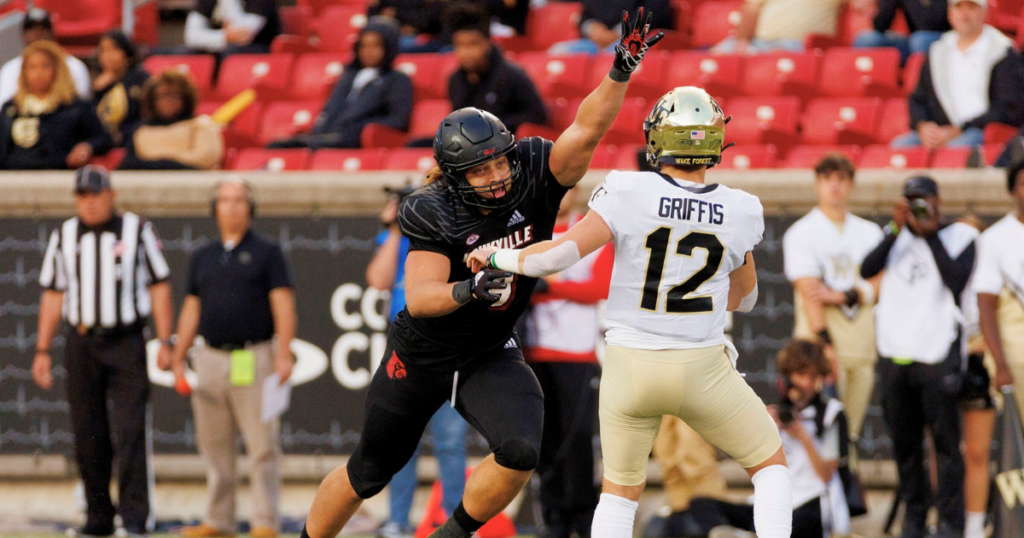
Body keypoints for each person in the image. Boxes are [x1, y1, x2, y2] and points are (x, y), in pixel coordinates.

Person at [297, 9, 664, 538]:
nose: (496, 176)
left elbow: (585, 131)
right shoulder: (431, 207)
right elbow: (420, 297)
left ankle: (451, 535)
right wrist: (468, 289)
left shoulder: (533, 172)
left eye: (500, 162)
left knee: (519, 452)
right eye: (480, 168)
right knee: (369, 470)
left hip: (489, 347)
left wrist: (620, 70)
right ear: (453, 175)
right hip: (423, 351)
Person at [469, 86, 792, 538]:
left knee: (619, 495)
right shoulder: (741, 209)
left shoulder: (627, 189)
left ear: (659, 138)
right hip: (701, 366)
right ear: (715, 140)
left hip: (630, 365)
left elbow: (555, 258)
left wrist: (496, 257)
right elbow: (745, 299)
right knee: (771, 467)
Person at [34, 166, 174, 538]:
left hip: (126, 340)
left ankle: (134, 519)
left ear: (111, 195)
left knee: (130, 430)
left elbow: (160, 285)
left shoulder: (137, 230)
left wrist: (165, 340)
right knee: (87, 432)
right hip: (81, 343)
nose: (90, 202)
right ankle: (97, 518)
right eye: (83, 195)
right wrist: (42, 348)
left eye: (96, 194)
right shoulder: (64, 235)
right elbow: (53, 293)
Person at [171, 178, 297, 538]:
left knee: (262, 445)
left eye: (239, 200)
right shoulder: (203, 255)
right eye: (224, 200)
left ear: (250, 207)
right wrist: (179, 356)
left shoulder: (267, 253)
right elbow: (191, 308)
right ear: (215, 208)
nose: (231, 207)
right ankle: (219, 519)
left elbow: (283, 305)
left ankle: (264, 521)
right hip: (209, 357)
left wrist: (284, 354)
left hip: (253, 356)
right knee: (214, 446)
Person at [860, 175, 977, 538]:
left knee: (945, 447)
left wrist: (931, 234)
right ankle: (914, 517)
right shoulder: (894, 236)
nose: (918, 206)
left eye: (923, 199)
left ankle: (949, 522)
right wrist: (897, 228)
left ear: (938, 199)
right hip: (895, 355)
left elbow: (956, 281)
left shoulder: (961, 237)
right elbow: (866, 269)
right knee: (905, 445)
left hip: (936, 355)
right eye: (910, 200)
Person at [365, 185, 467, 538]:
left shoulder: (451, 234)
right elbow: (377, 279)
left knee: (452, 442)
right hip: (405, 349)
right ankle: (397, 521)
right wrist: (395, 229)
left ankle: (457, 524)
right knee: (399, 442)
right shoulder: (395, 238)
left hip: (445, 345)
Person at [523, 186, 613, 538]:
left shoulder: (592, 235)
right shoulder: (530, 237)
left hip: (577, 354)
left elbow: (599, 288)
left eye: (568, 188)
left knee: (577, 441)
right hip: (534, 353)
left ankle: (583, 518)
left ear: (577, 191)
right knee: (543, 441)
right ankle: (553, 517)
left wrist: (548, 287)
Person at [782, 153, 882, 453]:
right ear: (817, 184)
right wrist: (824, 344)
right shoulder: (802, 232)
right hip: (817, 349)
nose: (834, 187)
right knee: (813, 430)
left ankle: (842, 494)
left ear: (851, 184)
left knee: (848, 434)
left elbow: (883, 281)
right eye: (827, 179)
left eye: (841, 179)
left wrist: (843, 295)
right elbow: (810, 291)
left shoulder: (869, 232)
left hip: (860, 345)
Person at [970, 161, 1024, 538]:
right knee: (1013, 446)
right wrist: (1000, 364)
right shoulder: (996, 238)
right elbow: (985, 305)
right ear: (1012, 190)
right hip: (1015, 362)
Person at [891, 0, 1024, 149]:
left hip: (981, 131)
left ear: (985, 13)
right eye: (959, 7)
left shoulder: (1002, 51)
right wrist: (923, 126)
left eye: (971, 7)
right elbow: (918, 98)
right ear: (950, 13)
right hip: (940, 130)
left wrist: (961, 129)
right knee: (900, 147)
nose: (964, 14)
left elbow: (1009, 107)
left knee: (958, 148)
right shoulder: (938, 51)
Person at [268, 18, 412, 151]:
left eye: (376, 46)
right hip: (328, 134)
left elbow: (398, 119)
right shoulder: (347, 76)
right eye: (364, 46)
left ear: (388, 48)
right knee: (278, 146)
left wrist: (362, 128)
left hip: (355, 139)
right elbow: (331, 109)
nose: (368, 51)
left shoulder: (397, 80)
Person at [0, 40, 113, 170]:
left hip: (61, 176)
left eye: (45, 66)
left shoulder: (75, 107)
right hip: (13, 179)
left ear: (57, 69)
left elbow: (104, 138)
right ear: (23, 72)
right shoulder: (11, 109)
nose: (38, 73)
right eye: (32, 67)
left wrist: (87, 147)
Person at [446, 2, 547, 134]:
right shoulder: (455, 80)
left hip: (504, 144)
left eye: (473, 44)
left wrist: (493, 125)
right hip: (470, 146)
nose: (466, 52)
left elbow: (538, 115)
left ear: (488, 43)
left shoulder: (512, 75)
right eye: (460, 45)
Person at [119, 70, 223, 171]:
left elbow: (205, 158)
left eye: (173, 95)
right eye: (162, 96)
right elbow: (128, 164)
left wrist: (162, 164)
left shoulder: (201, 125)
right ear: (152, 100)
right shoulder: (141, 131)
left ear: (186, 98)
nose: (168, 101)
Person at [0, 8, 90, 104]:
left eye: (43, 29)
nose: (38, 34)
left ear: (52, 33)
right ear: (23, 35)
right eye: (32, 29)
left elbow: (81, 103)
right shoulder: (9, 69)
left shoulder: (74, 66)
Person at [711, 0, 845, 54]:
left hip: (799, 46)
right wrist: (742, 41)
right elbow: (751, 9)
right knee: (716, 56)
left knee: (776, 59)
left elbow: (861, 5)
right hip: (758, 42)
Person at [549, 0, 671, 55]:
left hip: (634, 38)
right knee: (558, 53)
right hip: (596, 42)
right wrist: (591, 28)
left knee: (614, 57)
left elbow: (652, 12)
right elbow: (584, 15)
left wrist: (620, 32)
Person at [92, 30, 149, 146]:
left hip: (134, 139)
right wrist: (97, 92)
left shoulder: (140, 79)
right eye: (103, 51)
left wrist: (123, 133)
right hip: (103, 142)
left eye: (114, 49)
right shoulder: (98, 83)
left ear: (127, 53)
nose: (107, 56)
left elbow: (146, 116)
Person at [852, 0, 950, 62]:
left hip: (945, 39)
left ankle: (922, 86)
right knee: (865, 39)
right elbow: (881, 26)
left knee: (920, 40)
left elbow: (930, 24)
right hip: (912, 42)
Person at [183, 0, 281, 56]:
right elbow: (191, 36)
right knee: (185, 53)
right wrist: (224, 37)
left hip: (261, 48)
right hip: (222, 47)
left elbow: (243, 35)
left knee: (231, 51)